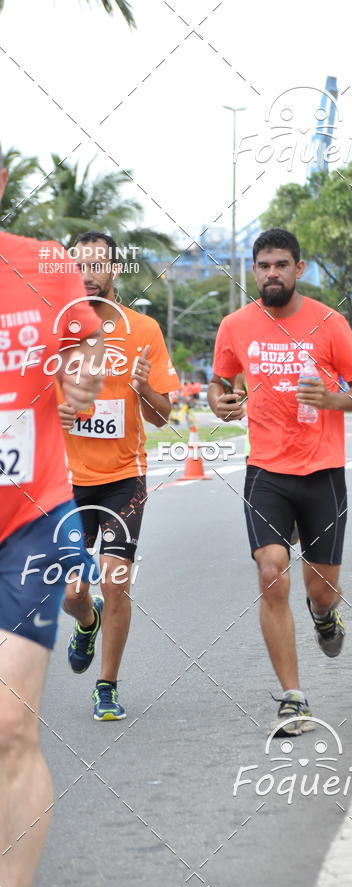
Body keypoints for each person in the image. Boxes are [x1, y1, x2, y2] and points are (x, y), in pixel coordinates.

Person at [209, 228, 352, 736]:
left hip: (322, 471)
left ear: (299, 269)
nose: (272, 273)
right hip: (265, 470)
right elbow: (220, 382)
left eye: (281, 264)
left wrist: (334, 399)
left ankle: (325, 616)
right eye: (263, 265)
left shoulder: (329, 322)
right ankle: (293, 698)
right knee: (271, 572)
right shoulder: (235, 325)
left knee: (321, 591)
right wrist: (219, 402)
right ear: (253, 270)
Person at [0, 147, 104, 887]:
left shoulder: (44, 263)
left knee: (9, 725)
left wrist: (82, 373)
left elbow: (84, 344)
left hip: (27, 519)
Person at [57, 232, 180, 721]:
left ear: (113, 269)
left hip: (125, 477)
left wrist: (144, 387)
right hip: (67, 480)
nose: (88, 274)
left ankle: (106, 686)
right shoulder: (53, 331)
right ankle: (86, 621)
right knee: (72, 593)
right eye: (79, 265)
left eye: (97, 265)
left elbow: (162, 416)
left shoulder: (143, 329)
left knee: (116, 581)